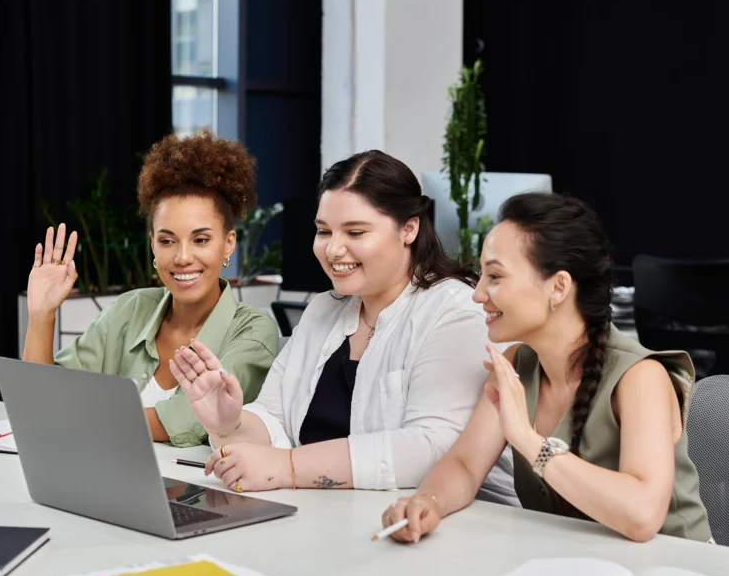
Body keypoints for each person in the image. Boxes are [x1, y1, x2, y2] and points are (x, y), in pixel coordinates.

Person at [381, 192, 713, 543]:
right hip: (581, 566)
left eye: (495, 276)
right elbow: (465, 465)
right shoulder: (515, 366)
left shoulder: (641, 378)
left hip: (679, 573)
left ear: (558, 287)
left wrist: (526, 438)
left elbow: (642, 517)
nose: (477, 294)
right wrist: (425, 503)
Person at [168, 150, 492, 493]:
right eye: (324, 231)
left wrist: (287, 467)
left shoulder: (455, 312)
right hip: (321, 516)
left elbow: (432, 447)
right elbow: (274, 421)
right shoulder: (324, 309)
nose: (334, 249)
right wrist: (228, 423)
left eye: (355, 233)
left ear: (409, 228)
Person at [22, 131, 279, 446]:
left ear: (228, 245)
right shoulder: (131, 309)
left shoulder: (253, 331)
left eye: (200, 239)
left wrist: (74, 413)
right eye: (167, 240)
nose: (183, 257)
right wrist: (41, 314)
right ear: (153, 247)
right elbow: (41, 402)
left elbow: (190, 419)